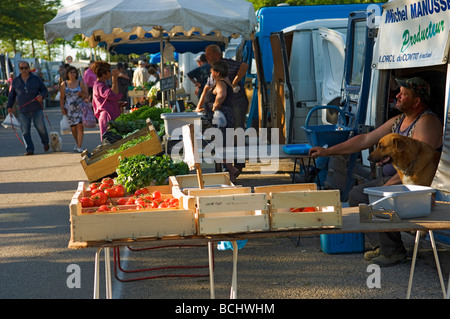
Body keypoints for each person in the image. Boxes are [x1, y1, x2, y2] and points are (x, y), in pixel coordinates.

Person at [309, 77, 443, 267]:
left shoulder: (427, 122)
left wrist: (387, 188)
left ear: (416, 102)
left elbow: (419, 165)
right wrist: (328, 151)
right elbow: (365, 140)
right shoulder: (399, 120)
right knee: (357, 196)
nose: (397, 95)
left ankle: (393, 252)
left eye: (403, 93)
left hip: (415, 186)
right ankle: (386, 246)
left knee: (377, 199)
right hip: (397, 181)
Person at [196, 44, 249, 177]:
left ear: (217, 54)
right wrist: (199, 105)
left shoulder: (224, 64)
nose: (207, 57)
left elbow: (244, 66)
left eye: (209, 54)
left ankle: (237, 165)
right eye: (206, 55)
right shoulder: (213, 69)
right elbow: (207, 88)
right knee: (226, 137)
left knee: (236, 132)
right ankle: (230, 166)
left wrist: (235, 82)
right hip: (227, 106)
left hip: (234, 103)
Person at [7, 61, 49, 156]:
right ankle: (29, 149)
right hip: (23, 110)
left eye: (26, 68)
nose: (24, 70)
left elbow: (44, 90)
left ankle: (45, 142)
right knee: (25, 131)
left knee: (41, 128)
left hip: (37, 108)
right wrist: (9, 106)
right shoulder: (16, 81)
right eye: (22, 68)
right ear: (19, 69)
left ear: (29, 68)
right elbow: (12, 95)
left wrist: (42, 96)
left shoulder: (36, 79)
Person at [209, 60, 240, 182]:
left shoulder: (221, 83)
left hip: (223, 117)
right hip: (227, 115)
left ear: (217, 72)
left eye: (212, 71)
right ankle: (230, 171)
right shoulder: (226, 81)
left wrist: (215, 105)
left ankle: (230, 171)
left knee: (222, 144)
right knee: (225, 143)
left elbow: (221, 95)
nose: (211, 73)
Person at [59, 66, 89, 152]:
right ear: (67, 74)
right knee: (73, 128)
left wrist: (81, 94)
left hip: (80, 108)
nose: (73, 74)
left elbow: (86, 95)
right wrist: (62, 109)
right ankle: (77, 143)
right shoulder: (64, 84)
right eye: (71, 72)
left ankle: (79, 146)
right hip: (69, 110)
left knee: (80, 126)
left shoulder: (80, 83)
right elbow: (61, 97)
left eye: (74, 72)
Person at [92, 61, 122, 141]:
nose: (110, 73)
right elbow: (113, 94)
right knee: (110, 143)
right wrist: (114, 80)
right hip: (107, 118)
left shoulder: (101, 85)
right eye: (109, 71)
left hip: (109, 117)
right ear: (103, 73)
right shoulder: (99, 86)